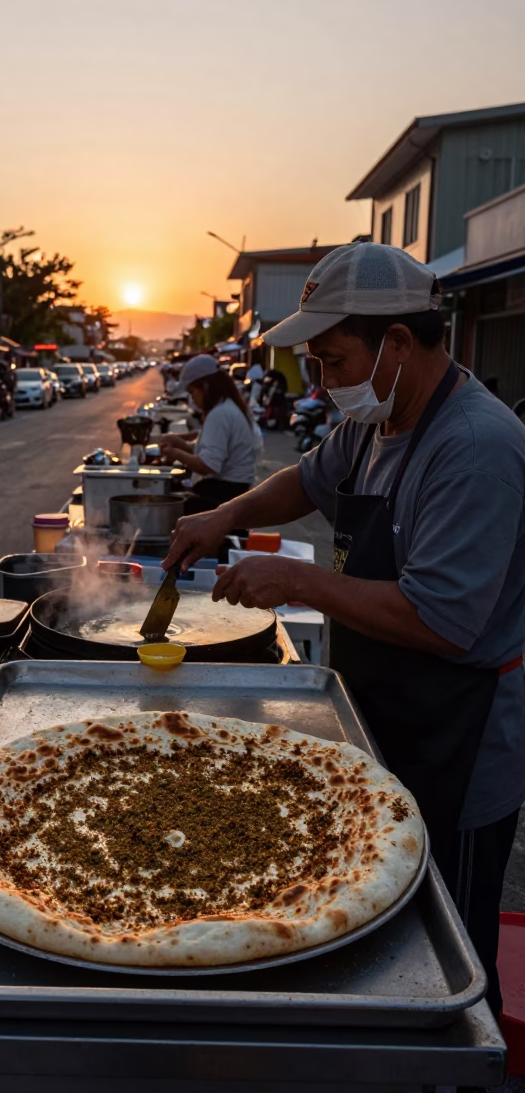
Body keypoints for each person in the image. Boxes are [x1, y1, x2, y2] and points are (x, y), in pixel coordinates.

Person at [163, 242, 525, 1015]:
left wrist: (297, 581)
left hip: (457, 735)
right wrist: (225, 513)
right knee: (375, 937)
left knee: (446, 951)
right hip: (389, 712)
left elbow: (442, 620)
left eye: (332, 361)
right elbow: (309, 478)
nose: (322, 385)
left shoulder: (473, 448)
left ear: (397, 342)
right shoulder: (377, 421)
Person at [159, 354, 256, 515]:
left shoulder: (220, 414)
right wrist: (179, 441)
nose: (192, 399)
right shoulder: (225, 408)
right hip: (231, 491)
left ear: (205, 387)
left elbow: (208, 466)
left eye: (192, 393)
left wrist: (175, 453)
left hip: (226, 494)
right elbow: (209, 450)